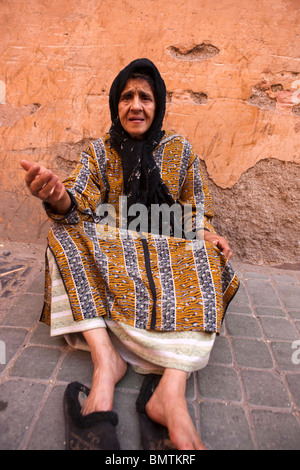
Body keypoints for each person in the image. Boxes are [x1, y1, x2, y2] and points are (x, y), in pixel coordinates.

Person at [20, 58, 239, 451]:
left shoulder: (180, 150)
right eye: (126, 97)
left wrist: (206, 232)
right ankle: (107, 364)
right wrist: (58, 196)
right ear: (115, 105)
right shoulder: (100, 153)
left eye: (145, 97)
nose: (135, 105)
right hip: (117, 261)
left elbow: (195, 207)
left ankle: (169, 392)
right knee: (63, 234)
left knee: (213, 258)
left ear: (158, 106)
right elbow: (79, 200)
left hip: (169, 260)